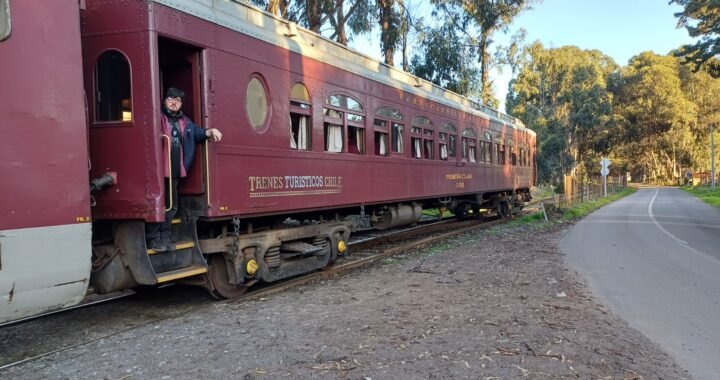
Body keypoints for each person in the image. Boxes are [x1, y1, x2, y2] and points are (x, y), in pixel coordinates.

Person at [146, 87, 223, 252]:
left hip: (174, 170)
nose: (174, 102)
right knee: (158, 205)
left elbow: (198, 133)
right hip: (158, 171)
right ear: (164, 100)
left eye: (178, 100)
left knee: (171, 206)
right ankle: (153, 239)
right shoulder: (157, 117)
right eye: (170, 98)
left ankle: (165, 238)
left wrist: (211, 131)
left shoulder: (185, 121)